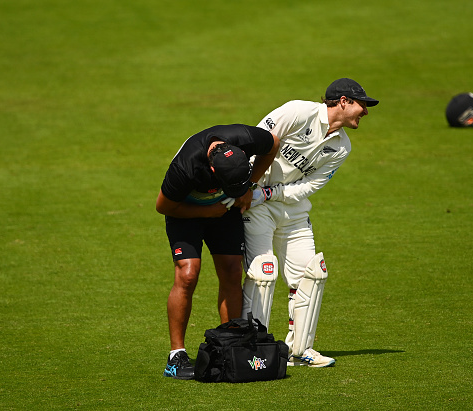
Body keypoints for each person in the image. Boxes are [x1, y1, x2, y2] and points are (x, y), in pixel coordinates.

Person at [241, 78, 379, 367]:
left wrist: (270, 194)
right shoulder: (297, 112)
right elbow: (257, 143)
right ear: (343, 101)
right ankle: (254, 350)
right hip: (256, 205)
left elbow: (311, 185)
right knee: (263, 274)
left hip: (292, 211)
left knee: (311, 276)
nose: (365, 112)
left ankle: (299, 349)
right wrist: (247, 189)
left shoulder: (342, 147)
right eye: (361, 105)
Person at [156, 124, 279, 380]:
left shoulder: (244, 138)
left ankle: (229, 344)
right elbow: (164, 207)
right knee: (188, 274)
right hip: (186, 212)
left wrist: (248, 187)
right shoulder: (187, 166)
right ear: (212, 170)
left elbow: (273, 144)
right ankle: (175, 357)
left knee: (233, 271)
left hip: (224, 210)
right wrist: (206, 212)